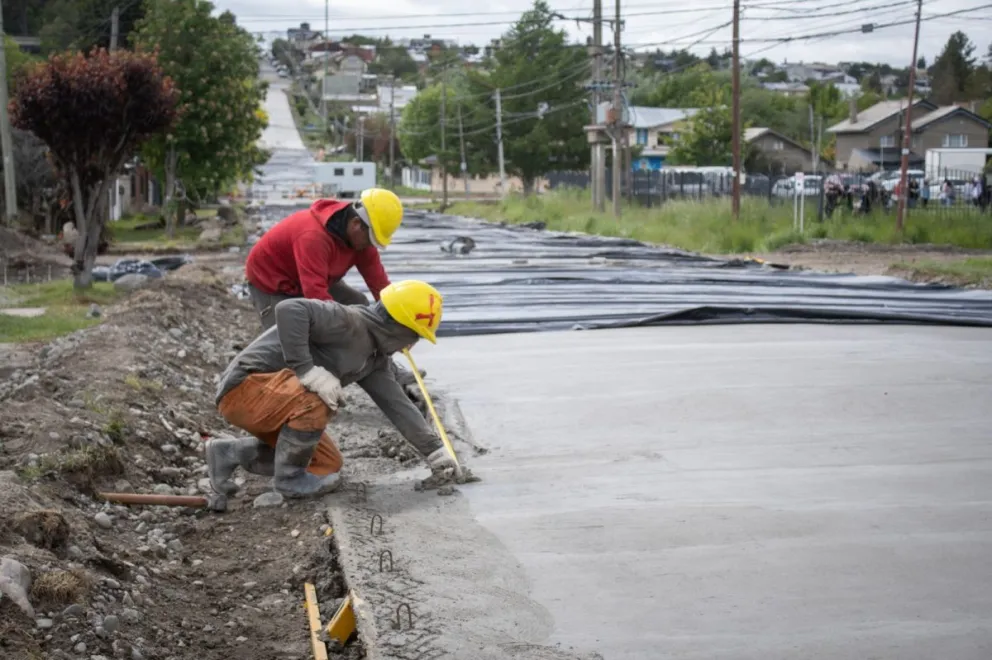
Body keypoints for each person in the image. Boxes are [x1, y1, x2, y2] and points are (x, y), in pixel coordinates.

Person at [207, 280, 459, 498]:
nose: (411, 346)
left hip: (275, 400)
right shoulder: (347, 320)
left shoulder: (374, 360)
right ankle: (289, 480)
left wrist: (436, 452)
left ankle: (230, 452)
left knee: (326, 465)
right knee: (320, 396)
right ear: (397, 327)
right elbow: (290, 309)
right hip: (243, 390)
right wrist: (306, 370)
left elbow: (398, 406)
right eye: (414, 336)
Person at [244, 188, 404, 330]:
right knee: (286, 342)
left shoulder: (363, 239)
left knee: (357, 303)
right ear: (356, 224)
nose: (370, 246)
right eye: (370, 240)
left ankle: (359, 360)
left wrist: (397, 324)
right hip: (271, 282)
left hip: (313, 277)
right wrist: (345, 327)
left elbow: (380, 285)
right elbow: (316, 294)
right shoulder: (313, 237)